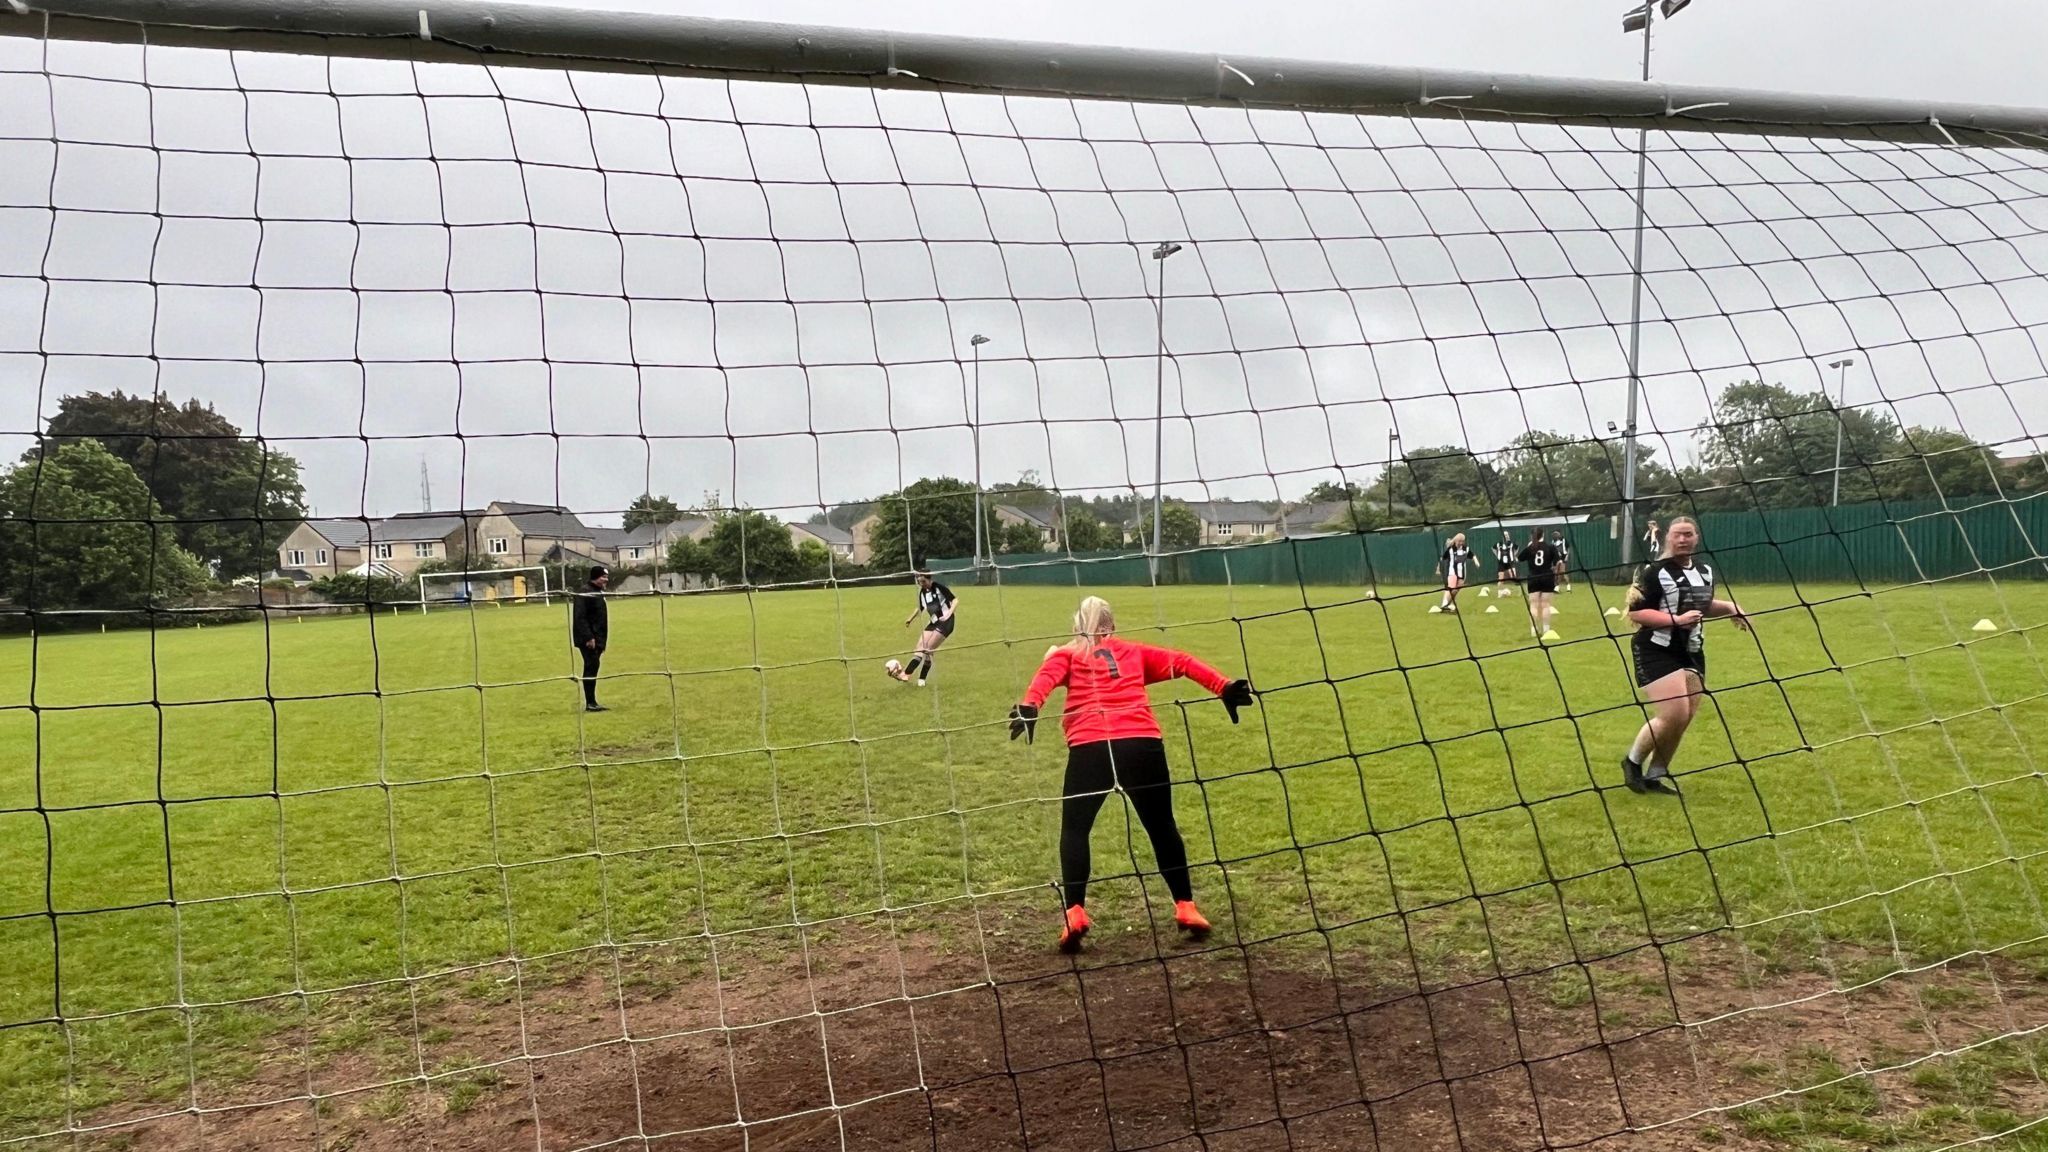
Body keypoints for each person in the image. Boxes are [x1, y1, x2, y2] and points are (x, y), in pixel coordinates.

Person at [1009, 596, 1255, 953]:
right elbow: (1182, 661)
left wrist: (1031, 706)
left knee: (1075, 830)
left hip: (1090, 747)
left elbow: (1043, 683)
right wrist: (1222, 687)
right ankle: (1185, 906)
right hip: (1142, 744)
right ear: (1112, 626)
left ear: (1078, 626)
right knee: (1161, 826)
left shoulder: (1065, 654)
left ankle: (1075, 912)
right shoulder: (1132, 652)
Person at [1621, 516, 1747, 794]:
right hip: (1656, 648)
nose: (1682, 540)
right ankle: (1632, 763)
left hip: (1691, 651)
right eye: (1677, 535)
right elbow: (1636, 612)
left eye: (1688, 534)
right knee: (1674, 713)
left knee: (1685, 716)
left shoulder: (1704, 570)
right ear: (1668, 537)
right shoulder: (1654, 571)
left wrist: (1730, 607)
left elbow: (1702, 605)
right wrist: (1676, 621)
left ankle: (1655, 776)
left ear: (1696, 537)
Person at [893, 569, 955, 686]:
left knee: (926, 649)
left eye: (923, 581)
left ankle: (906, 674)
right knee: (920, 648)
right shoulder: (922, 592)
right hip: (933, 622)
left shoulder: (939, 588)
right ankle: (920, 680)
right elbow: (920, 607)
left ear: (929, 579)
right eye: (919, 582)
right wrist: (910, 619)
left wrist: (949, 613)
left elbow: (955, 600)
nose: (921, 584)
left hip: (946, 622)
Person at [571, 565, 610, 712]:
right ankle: (590, 702)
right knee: (591, 667)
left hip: (598, 637)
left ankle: (592, 701)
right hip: (589, 639)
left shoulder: (597, 591)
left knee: (593, 666)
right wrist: (589, 637)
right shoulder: (585, 592)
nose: (606, 580)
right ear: (595, 577)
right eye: (603, 577)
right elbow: (580, 617)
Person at [1518, 527, 1558, 638]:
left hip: (1533, 578)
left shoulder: (1530, 548)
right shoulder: (1550, 547)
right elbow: (1557, 562)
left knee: (1533, 605)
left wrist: (1529, 546)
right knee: (1546, 605)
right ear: (1543, 535)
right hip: (1547, 577)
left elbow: (1519, 558)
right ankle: (1546, 630)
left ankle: (1533, 631)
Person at [1434, 532, 1473, 613]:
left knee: (1455, 588)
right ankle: (1445, 604)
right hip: (1448, 572)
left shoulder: (1457, 551)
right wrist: (1438, 569)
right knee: (1449, 588)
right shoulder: (1449, 552)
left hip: (1454, 572)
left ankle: (1448, 604)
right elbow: (1441, 561)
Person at [1493, 533, 1518, 598]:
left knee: (1514, 575)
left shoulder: (1511, 544)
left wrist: (1514, 555)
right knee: (1501, 578)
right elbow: (1493, 548)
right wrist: (1497, 555)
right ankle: (1499, 593)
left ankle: (1519, 592)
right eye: (1505, 535)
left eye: (1507, 535)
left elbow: (1517, 548)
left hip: (1510, 562)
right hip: (1501, 562)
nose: (1506, 537)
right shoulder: (1499, 544)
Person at [1551, 529, 1573, 593]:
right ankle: (1556, 588)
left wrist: (1567, 556)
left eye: (1556, 534)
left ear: (1559, 534)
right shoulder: (1553, 542)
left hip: (1563, 558)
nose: (1555, 535)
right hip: (1556, 559)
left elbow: (1568, 548)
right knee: (1556, 574)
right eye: (1554, 534)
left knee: (1562, 572)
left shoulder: (1564, 540)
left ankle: (1567, 587)